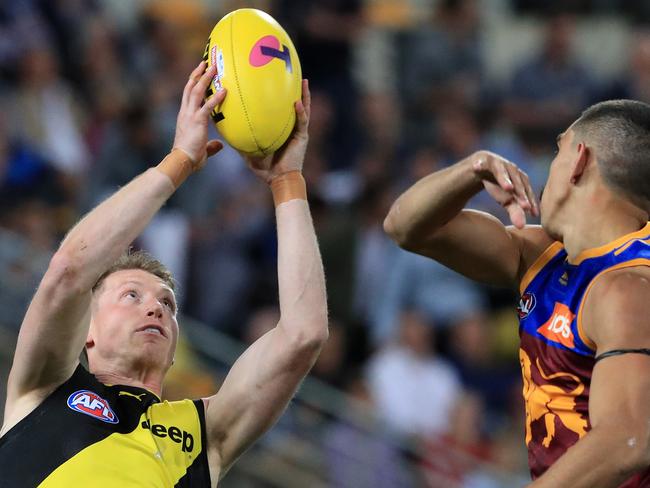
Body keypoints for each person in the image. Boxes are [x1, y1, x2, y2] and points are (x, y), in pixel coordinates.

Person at [0, 61, 328, 486]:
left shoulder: (204, 434)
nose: (155, 308)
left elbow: (304, 334)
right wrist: (180, 161)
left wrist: (287, 180)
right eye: (132, 295)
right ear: (88, 331)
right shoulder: (45, 387)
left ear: (175, 351)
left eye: (168, 304)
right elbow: (69, 270)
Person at [384, 99, 650, 486]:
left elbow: (627, 440)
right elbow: (404, 227)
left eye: (557, 150)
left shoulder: (629, 288)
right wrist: (471, 168)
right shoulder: (543, 255)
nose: (547, 167)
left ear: (579, 160)